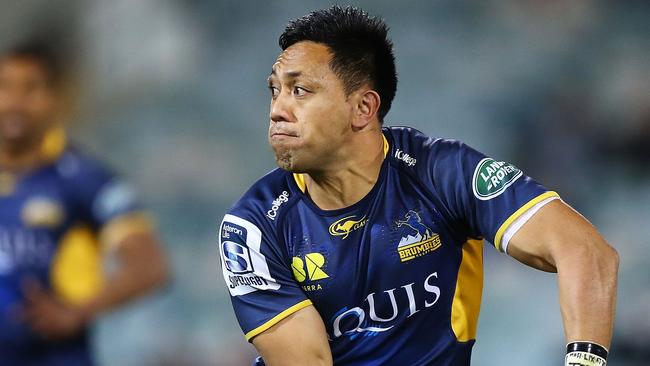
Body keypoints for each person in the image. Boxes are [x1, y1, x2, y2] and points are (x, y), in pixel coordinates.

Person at [218, 6, 618, 366]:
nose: (277, 110)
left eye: (299, 90)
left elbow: (585, 251)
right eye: (275, 90)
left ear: (363, 108)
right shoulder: (252, 227)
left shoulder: (441, 172)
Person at [0, 39, 169, 365]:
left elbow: (150, 266)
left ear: (55, 99)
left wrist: (76, 312)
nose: (15, 103)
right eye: (4, 87)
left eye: (31, 89)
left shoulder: (84, 179)